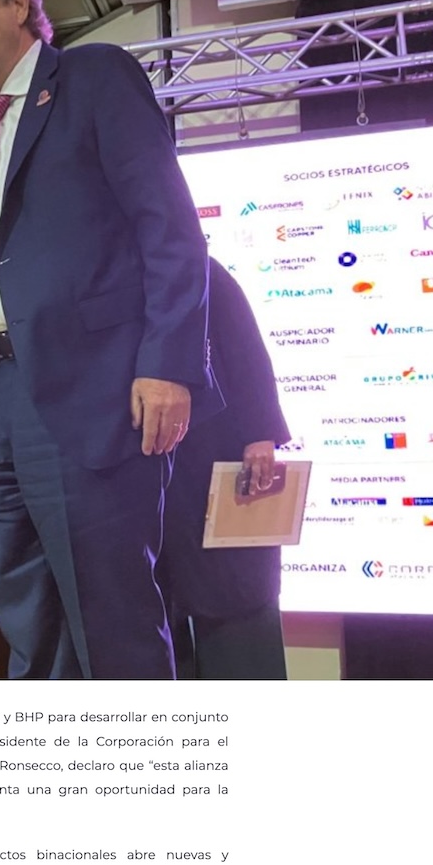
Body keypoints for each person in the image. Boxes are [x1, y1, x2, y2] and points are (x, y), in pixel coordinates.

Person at [0, 0, 220, 680]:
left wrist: (167, 364)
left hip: (91, 395)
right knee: (29, 630)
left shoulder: (92, 78)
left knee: (113, 627)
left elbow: (169, 227)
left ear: (19, 5)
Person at [159, 256, 291, 680]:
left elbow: (245, 348)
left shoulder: (195, 266)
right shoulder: (97, 268)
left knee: (240, 602)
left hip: (221, 454)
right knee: (157, 618)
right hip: (145, 468)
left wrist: (260, 433)